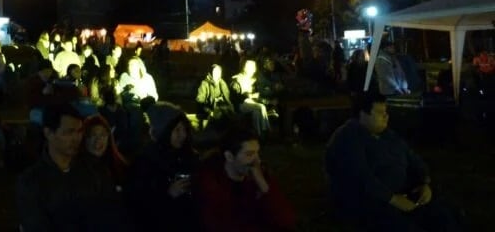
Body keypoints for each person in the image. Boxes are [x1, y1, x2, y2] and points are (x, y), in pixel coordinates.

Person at [326, 93, 464, 231]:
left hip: (403, 193)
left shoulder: (388, 136)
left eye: (386, 112)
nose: (386, 116)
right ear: (363, 114)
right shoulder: (348, 139)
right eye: (380, 113)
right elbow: (361, 177)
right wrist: (393, 199)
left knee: (446, 216)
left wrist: (424, 183)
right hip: (370, 203)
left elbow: (413, 159)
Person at [16, 104, 130, 231]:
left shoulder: (94, 169)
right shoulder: (31, 181)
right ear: (48, 133)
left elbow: (112, 213)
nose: (76, 138)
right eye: (69, 132)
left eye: (80, 131)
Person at [195, 126, 296, 231]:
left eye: (257, 153)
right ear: (229, 156)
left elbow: (286, 221)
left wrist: (265, 188)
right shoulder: (211, 182)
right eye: (249, 154)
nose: (257, 161)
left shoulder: (260, 175)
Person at [125, 102, 198, 231]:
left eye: (184, 129)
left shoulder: (187, 156)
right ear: (163, 131)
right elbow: (138, 206)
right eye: (177, 130)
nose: (183, 135)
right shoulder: (145, 161)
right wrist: (168, 195)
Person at [81, 114, 128, 192]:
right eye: (93, 135)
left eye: (103, 135)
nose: (98, 140)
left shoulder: (118, 165)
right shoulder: (77, 170)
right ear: (84, 138)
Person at [230, 59, 270, 141]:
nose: (253, 70)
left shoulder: (253, 80)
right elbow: (238, 95)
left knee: (256, 113)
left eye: (253, 67)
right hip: (241, 104)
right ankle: (266, 130)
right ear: (245, 68)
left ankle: (258, 135)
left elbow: (258, 92)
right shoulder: (238, 78)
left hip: (251, 103)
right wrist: (250, 95)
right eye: (251, 67)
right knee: (261, 107)